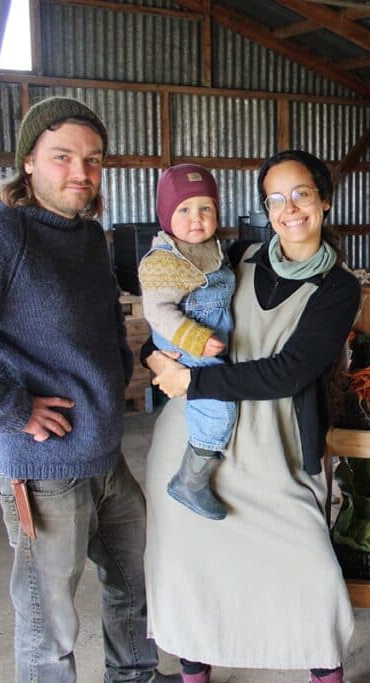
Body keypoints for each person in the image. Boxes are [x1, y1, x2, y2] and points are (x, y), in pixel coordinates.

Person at [0, 96, 179, 683]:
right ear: (28, 162)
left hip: (106, 456)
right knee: (48, 621)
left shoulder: (85, 234)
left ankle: (136, 677)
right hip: (42, 469)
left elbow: (98, 323)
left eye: (93, 159)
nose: (80, 172)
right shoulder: (0, 234)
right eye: (62, 157)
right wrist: (9, 408)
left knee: (136, 587)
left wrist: (123, 362)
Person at [143, 150, 361, 683]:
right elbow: (169, 315)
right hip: (196, 442)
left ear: (323, 201)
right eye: (276, 198)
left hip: (276, 446)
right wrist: (150, 356)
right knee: (195, 569)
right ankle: (195, 673)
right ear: (266, 208)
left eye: (301, 194)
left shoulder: (339, 287)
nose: (289, 209)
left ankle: (324, 673)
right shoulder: (234, 256)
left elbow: (289, 371)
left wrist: (193, 380)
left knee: (308, 571)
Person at [140, 164, 235, 521]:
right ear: (166, 214)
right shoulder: (166, 260)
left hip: (208, 338)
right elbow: (157, 310)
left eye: (206, 209)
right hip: (185, 343)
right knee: (218, 408)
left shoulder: (215, 250)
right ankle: (190, 480)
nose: (197, 219)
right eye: (184, 210)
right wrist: (196, 340)